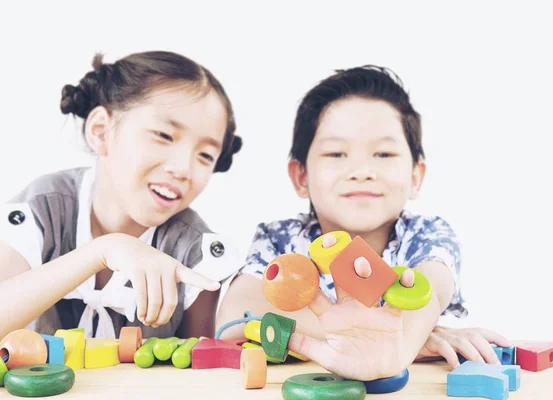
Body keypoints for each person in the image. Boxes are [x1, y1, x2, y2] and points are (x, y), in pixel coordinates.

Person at [216, 65, 510, 380]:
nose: (361, 170)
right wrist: (396, 341)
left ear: (415, 177)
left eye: (383, 154)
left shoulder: (425, 234)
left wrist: (400, 341)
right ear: (301, 176)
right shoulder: (280, 239)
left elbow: (430, 293)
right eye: (336, 153)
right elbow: (235, 316)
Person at [0, 51, 243, 341]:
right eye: (164, 136)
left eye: (205, 155)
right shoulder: (41, 210)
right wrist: (101, 252)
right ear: (101, 131)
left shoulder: (195, 252)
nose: (182, 169)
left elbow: (202, 366)